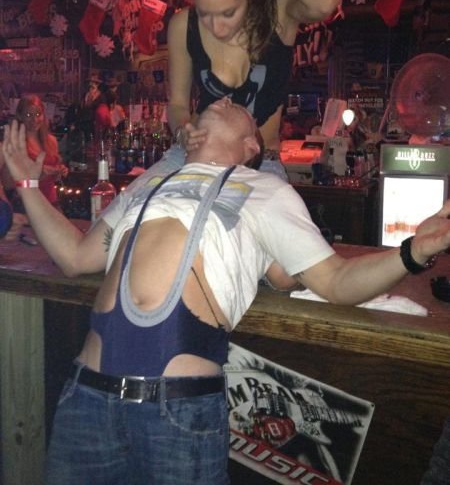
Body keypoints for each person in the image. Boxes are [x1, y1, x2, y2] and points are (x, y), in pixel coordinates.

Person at [3, 98, 450, 484]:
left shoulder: (266, 191)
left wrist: (413, 251)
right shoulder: (148, 182)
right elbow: (75, 257)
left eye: (237, 106)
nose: (222, 99)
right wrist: (27, 186)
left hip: (176, 410)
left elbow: (336, 280)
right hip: (86, 398)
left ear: (253, 145)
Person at [162, 0, 339, 181]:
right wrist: (182, 132)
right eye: (204, 13)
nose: (216, 27)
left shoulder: (278, 14)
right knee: (133, 204)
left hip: (261, 164)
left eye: (228, 13)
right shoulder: (182, 25)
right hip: (196, 156)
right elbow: (178, 104)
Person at [0, 95, 68, 211]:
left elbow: (54, 175)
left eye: (38, 114)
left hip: (51, 202)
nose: (34, 120)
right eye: (28, 115)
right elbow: (7, 184)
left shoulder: (51, 141)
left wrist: (60, 171)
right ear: (20, 116)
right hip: (26, 205)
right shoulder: (14, 143)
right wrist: (34, 176)